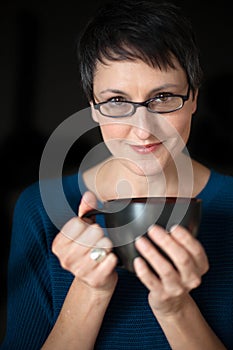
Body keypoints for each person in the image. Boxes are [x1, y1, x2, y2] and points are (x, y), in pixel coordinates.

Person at [1, 0, 233, 349]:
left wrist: (175, 308)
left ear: (194, 98)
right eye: (116, 102)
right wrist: (89, 290)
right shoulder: (40, 209)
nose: (143, 130)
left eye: (164, 97)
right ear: (93, 107)